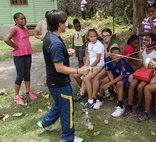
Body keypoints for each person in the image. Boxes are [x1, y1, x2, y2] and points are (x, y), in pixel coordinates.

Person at [36, 10, 89, 142]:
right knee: (67, 109)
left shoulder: (50, 36)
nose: (66, 24)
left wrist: (66, 53)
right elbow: (59, 67)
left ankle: (45, 123)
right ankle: (67, 138)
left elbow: (55, 56)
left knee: (59, 105)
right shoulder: (55, 43)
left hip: (54, 82)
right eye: (65, 22)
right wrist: (79, 71)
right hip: (59, 83)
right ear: (59, 24)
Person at [122, 33, 156, 117]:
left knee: (140, 87)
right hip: (141, 71)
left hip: (149, 73)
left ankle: (140, 105)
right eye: (144, 40)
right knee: (132, 85)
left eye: (147, 40)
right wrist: (140, 54)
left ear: (153, 42)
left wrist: (145, 61)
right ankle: (129, 106)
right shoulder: (143, 51)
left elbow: (150, 66)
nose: (144, 41)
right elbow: (139, 65)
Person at [4, 12, 37, 105]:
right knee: (20, 74)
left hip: (27, 53)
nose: (23, 20)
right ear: (16, 20)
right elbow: (6, 39)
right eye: (21, 19)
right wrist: (15, 46)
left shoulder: (25, 28)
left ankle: (28, 92)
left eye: (24, 18)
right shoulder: (14, 29)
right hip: (19, 55)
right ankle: (16, 96)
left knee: (27, 73)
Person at [94, 47, 133, 117]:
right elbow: (109, 73)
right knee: (104, 81)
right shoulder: (108, 60)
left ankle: (120, 106)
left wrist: (110, 84)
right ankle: (99, 99)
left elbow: (121, 77)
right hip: (116, 74)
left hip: (126, 75)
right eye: (115, 55)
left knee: (119, 83)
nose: (117, 56)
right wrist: (113, 85)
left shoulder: (122, 62)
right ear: (110, 55)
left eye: (119, 54)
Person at [77, 29, 105, 109]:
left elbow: (98, 59)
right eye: (91, 36)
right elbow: (89, 57)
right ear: (88, 37)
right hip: (92, 65)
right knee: (80, 74)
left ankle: (91, 100)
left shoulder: (99, 45)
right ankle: (82, 93)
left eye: (94, 36)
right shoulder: (89, 44)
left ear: (97, 36)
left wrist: (90, 67)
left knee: (86, 79)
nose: (93, 38)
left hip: (99, 65)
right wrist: (85, 66)